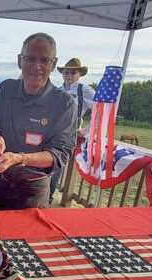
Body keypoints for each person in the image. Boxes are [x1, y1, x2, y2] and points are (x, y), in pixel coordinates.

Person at [0, 33, 78, 210]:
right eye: (30, 59)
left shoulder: (64, 103)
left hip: (33, 192)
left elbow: (60, 154)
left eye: (44, 60)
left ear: (53, 64)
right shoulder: (6, 89)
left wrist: (20, 158)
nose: (36, 67)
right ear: (20, 60)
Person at [48, 58, 95, 204]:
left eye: (73, 72)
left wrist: (87, 130)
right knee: (46, 164)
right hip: (51, 132)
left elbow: (100, 110)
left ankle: (47, 198)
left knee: (57, 164)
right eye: (66, 72)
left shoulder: (84, 90)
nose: (69, 75)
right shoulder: (58, 90)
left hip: (69, 134)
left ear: (79, 74)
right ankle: (41, 196)